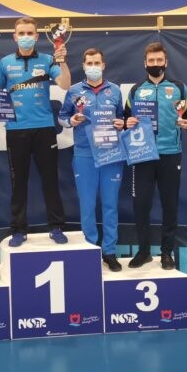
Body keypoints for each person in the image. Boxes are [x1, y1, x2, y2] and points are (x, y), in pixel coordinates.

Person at [0, 17, 71, 247]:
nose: (25, 37)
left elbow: (65, 84)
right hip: (16, 130)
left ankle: (56, 226)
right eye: (21, 33)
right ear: (14, 36)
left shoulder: (47, 59)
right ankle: (18, 229)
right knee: (18, 183)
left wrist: (63, 62)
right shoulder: (5, 63)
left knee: (50, 180)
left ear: (36, 36)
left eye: (29, 33)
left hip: (44, 129)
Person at [124, 42, 187, 270]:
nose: (155, 64)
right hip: (143, 154)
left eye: (159, 60)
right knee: (141, 205)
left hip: (170, 154)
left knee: (170, 204)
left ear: (165, 62)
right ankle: (144, 251)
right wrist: (128, 122)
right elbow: (126, 117)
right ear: (144, 63)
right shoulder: (136, 90)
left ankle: (167, 253)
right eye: (151, 60)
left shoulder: (179, 88)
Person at [59, 48, 125, 271]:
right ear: (84, 66)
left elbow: (122, 118)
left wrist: (121, 124)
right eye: (90, 63)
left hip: (111, 153)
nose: (93, 67)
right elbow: (62, 117)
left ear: (103, 65)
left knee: (110, 205)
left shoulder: (115, 90)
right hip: (84, 154)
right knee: (87, 206)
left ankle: (110, 252)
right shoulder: (74, 91)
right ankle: (90, 250)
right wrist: (71, 121)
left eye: (97, 63)